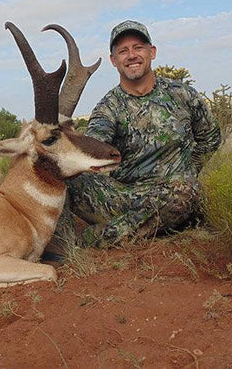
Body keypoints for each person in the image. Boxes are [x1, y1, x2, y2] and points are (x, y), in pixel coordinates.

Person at [64, 20, 221, 247]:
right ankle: (156, 225)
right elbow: (95, 145)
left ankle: (94, 238)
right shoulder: (108, 107)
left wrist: (188, 171)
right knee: (65, 178)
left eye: (138, 47)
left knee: (186, 191)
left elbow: (211, 138)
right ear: (113, 60)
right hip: (123, 197)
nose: (131, 55)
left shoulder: (183, 95)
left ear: (152, 52)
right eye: (123, 51)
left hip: (173, 192)